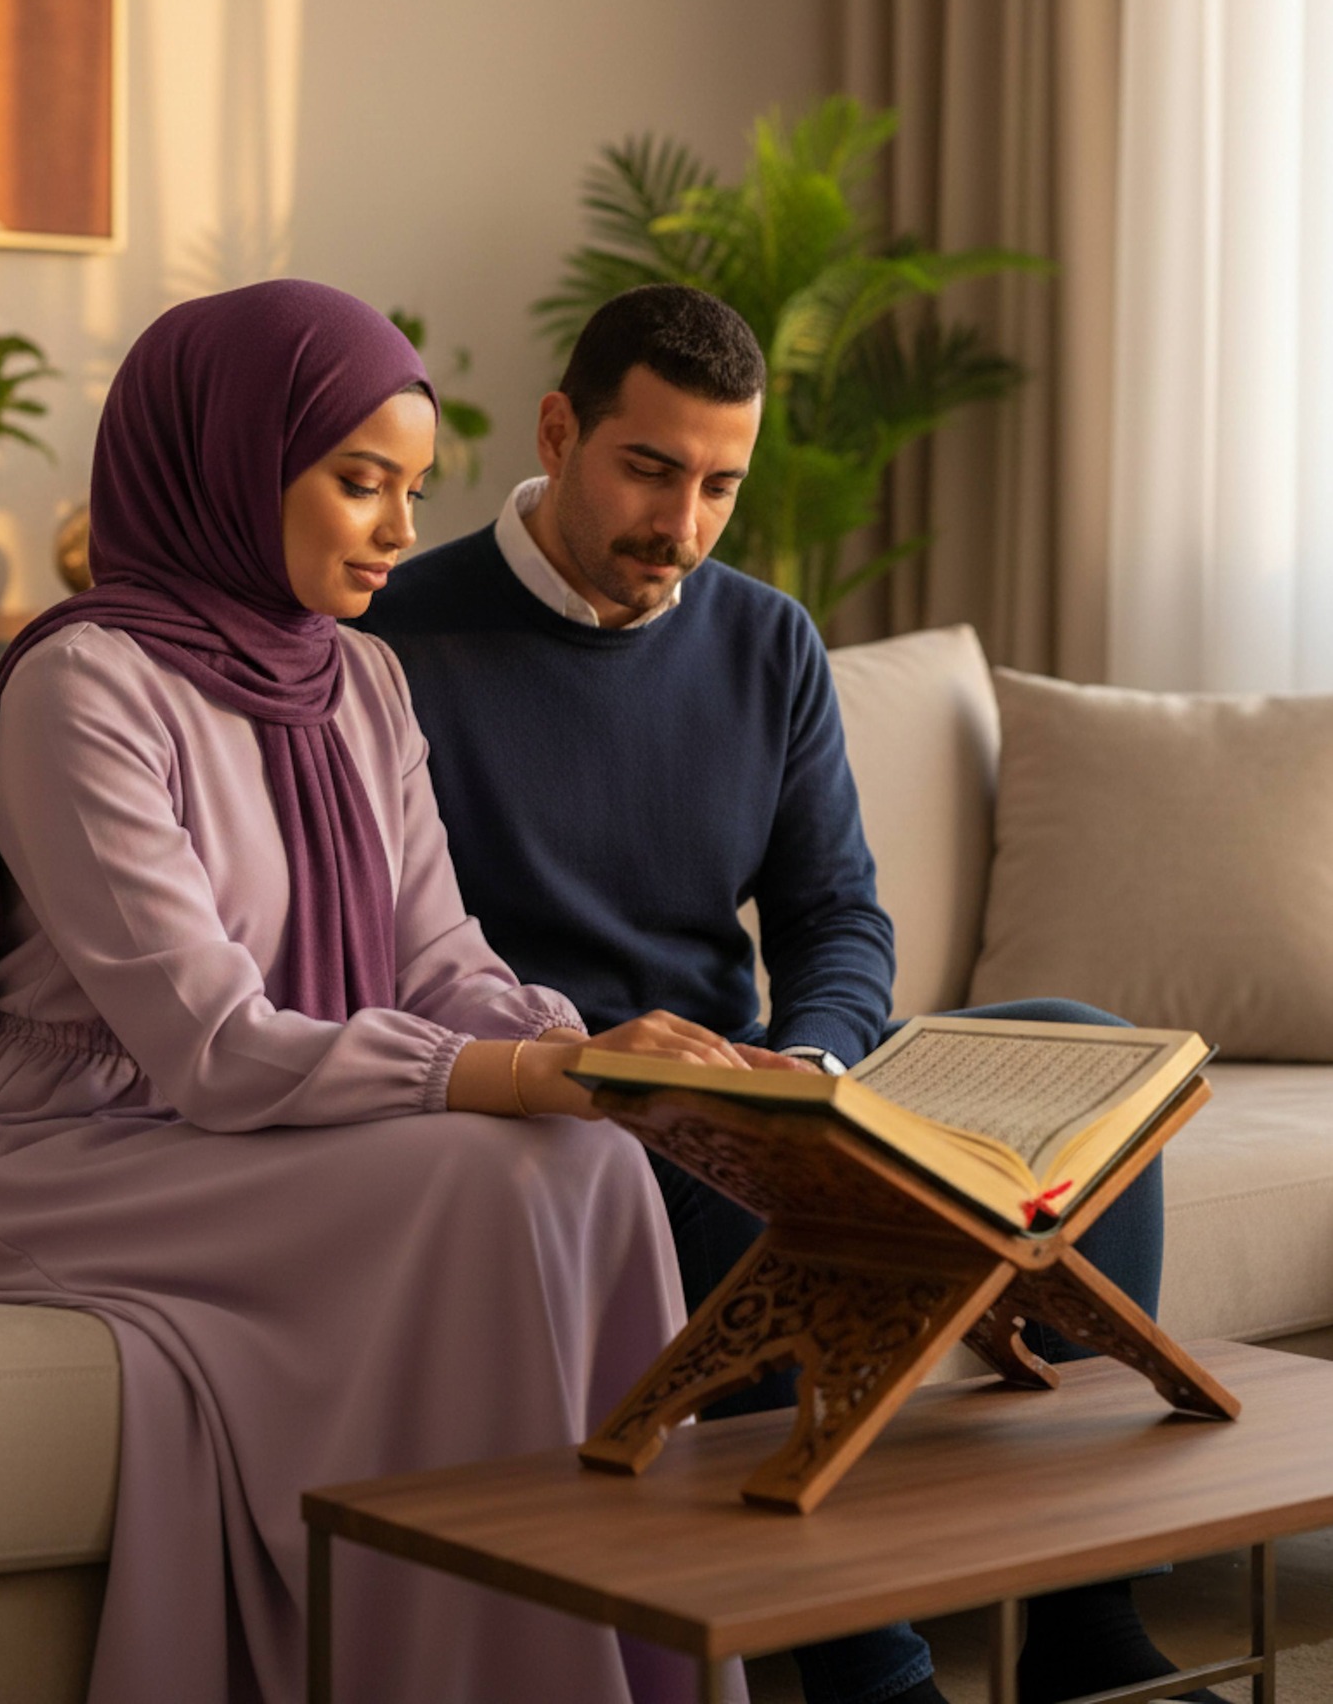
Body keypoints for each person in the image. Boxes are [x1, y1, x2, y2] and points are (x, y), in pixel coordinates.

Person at [0, 280, 774, 1704]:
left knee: (595, 1162)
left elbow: (438, 960)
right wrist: (515, 1080)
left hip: (258, 1120)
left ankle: (619, 1663)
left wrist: (593, 1059)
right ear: (233, 461)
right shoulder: (83, 687)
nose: (402, 531)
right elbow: (210, 1044)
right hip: (72, 1143)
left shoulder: (361, 678)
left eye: (413, 489)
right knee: (486, 1182)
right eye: (361, 484)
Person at [359, 283, 1226, 1704]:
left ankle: (1083, 1621)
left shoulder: (768, 640)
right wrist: (629, 1068)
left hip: (770, 1075)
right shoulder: (395, 642)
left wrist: (817, 1063)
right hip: (574, 1098)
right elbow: (383, 951)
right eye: (650, 469)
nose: (682, 524)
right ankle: (871, 1676)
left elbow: (838, 916)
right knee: (748, 1182)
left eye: (720, 486)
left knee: (1088, 1063)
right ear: (560, 432)